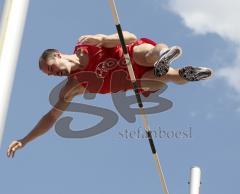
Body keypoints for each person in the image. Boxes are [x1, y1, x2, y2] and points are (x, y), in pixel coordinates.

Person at [7, 31, 213, 157]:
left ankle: (164, 55)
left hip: (133, 56)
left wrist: (104, 39)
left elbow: (130, 37)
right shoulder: (73, 87)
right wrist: (25, 140)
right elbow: (51, 117)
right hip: (136, 80)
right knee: (172, 77)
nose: (54, 74)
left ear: (58, 55)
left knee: (148, 54)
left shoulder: (86, 45)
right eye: (50, 75)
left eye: (51, 68)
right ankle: (187, 72)